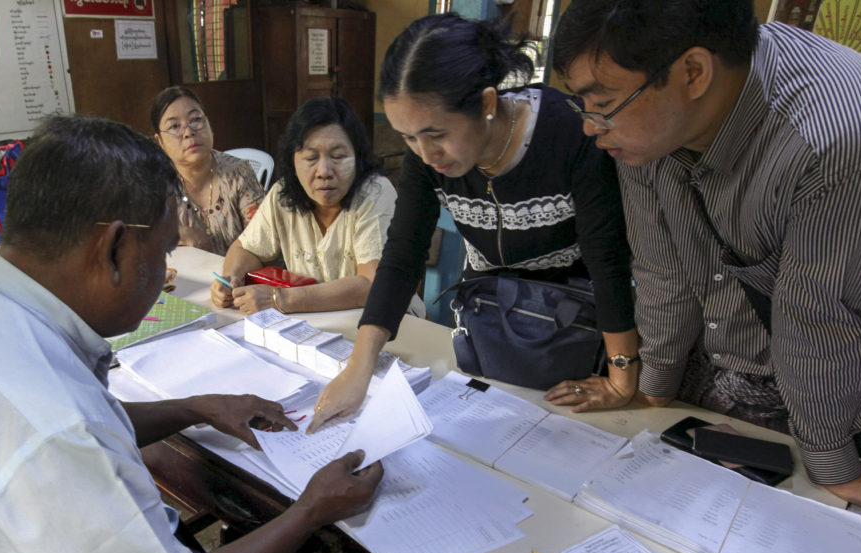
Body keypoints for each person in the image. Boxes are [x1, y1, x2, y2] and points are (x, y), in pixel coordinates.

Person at [0, 114, 383, 553]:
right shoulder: (51, 428)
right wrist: (308, 512)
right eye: (163, 252)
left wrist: (196, 407)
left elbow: (68, 434)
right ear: (113, 250)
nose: (165, 275)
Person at [551, 0, 861, 523]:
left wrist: (837, 466)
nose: (592, 128)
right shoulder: (649, 126)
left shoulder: (843, 142)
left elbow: (814, 315)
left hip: (847, 385)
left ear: (694, 72)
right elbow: (661, 269)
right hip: (727, 357)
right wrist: (653, 387)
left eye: (603, 103)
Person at [309, 13, 638, 432]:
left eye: (436, 134)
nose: (426, 154)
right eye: (408, 138)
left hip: (573, 324)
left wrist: (622, 377)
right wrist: (359, 366)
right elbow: (403, 253)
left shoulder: (569, 132)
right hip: (490, 317)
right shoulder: (427, 153)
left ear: (486, 103)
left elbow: (608, 260)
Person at [212, 97, 402, 315]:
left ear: (358, 158)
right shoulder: (284, 195)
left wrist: (280, 299)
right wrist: (231, 280)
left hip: (384, 324)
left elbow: (372, 285)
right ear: (293, 161)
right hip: (313, 324)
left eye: (338, 157)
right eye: (311, 158)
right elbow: (246, 248)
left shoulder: (375, 192)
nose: (324, 172)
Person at [151, 86, 264, 255]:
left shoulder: (239, 173)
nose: (189, 132)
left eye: (195, 119)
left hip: (241, 277)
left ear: (210, 125)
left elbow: (263, 242)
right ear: (160, 141)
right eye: (175, 126)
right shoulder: (155, 184)